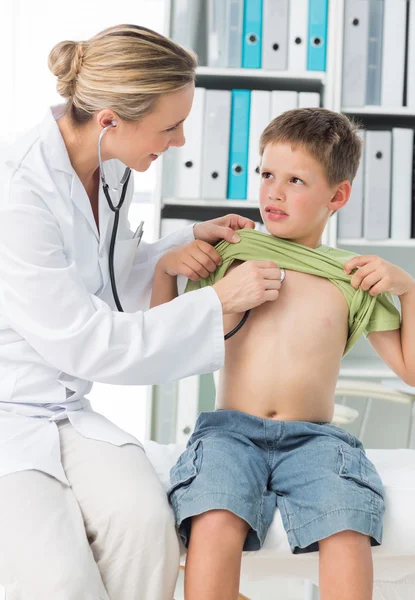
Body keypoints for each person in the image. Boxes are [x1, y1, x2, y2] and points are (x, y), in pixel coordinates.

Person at [0, 24, 283, 600]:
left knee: (147, 529)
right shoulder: (17, 192)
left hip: (60, 408)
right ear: (110, 119)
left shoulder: (111, 167)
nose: (179, 141)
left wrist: (178, 245)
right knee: (59, 580)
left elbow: (103, 275)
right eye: (170, 126)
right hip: (8, 411)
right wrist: (217, 304)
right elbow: (89, 341)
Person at [150, 108, 415, 600]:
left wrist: (409, 292)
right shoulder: (231, 255)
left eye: (295, 180)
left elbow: (411, 370)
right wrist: (167, 270)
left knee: (346, 527)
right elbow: (161, 345)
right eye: (267, 174)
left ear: (337, 195)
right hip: (231, 432)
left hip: (314, 440)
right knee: (212, 522)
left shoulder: (353, 276)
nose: (273, 191)